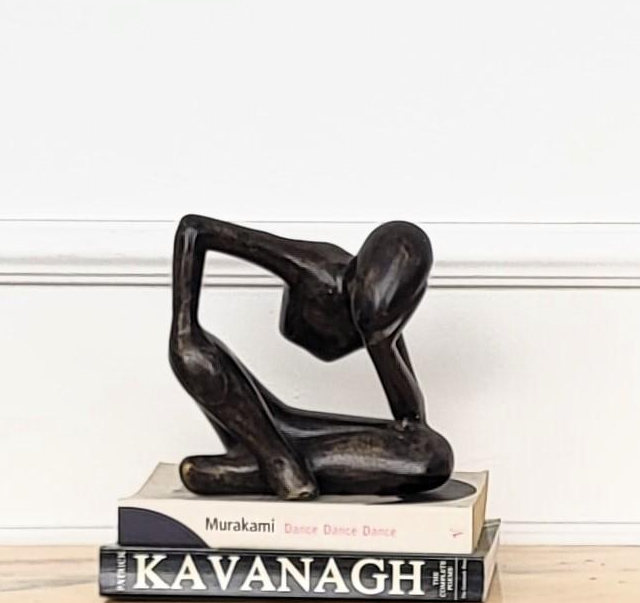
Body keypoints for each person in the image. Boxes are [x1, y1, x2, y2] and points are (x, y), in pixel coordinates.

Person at [166, 213, 454, 499]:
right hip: (247, 406)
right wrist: (184, 321)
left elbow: (411, 420)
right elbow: (195, 228)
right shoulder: (315, 268)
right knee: (191, 352)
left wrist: (384, 344)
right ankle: (275, 458)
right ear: (354, 277)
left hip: (284, 425)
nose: (367, 332)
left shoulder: (381, 317)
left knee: (431, 455)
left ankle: (252, 465)